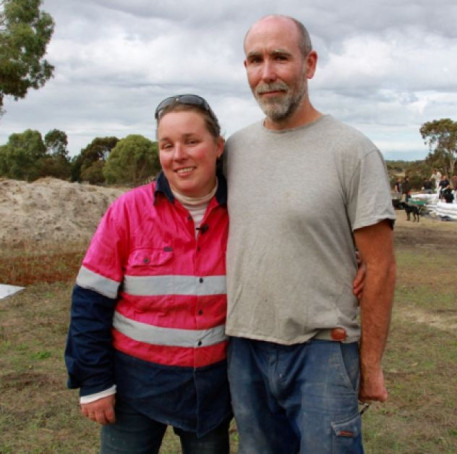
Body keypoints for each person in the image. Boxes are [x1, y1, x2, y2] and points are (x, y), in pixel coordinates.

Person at [224, 14, 396, 454]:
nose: (267, 74)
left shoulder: (352, 152)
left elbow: (380, 266)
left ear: (310, 64)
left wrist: (371, 367)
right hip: (245, 347)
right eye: (254, 60)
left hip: (323, 350)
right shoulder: (235, 150)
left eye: (280, 58)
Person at [64, 95, 233, 453]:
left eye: (191, 141)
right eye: (167, 145)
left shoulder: (243, 214)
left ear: (218, 146)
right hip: (134, 388)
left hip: (213, 391)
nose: (178, 155)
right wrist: (95, 383)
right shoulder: (127, 211)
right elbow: (89, 303)